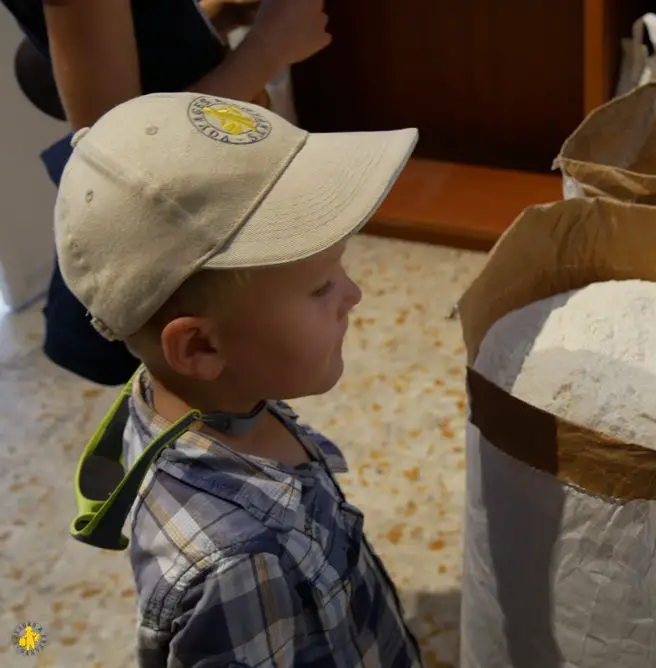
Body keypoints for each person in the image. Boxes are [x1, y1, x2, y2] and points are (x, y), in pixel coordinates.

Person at [60, 91, 422, 665]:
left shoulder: (208, 398)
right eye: (321, 286)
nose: (354, 294)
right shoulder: (235, 563)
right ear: (201, 345)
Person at [0, 0, 331, 385]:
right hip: (178, 213)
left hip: (194, 189)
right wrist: (269, 47)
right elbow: (122, 156)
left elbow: (136, 44)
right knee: (213, 384)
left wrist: (210, 22)